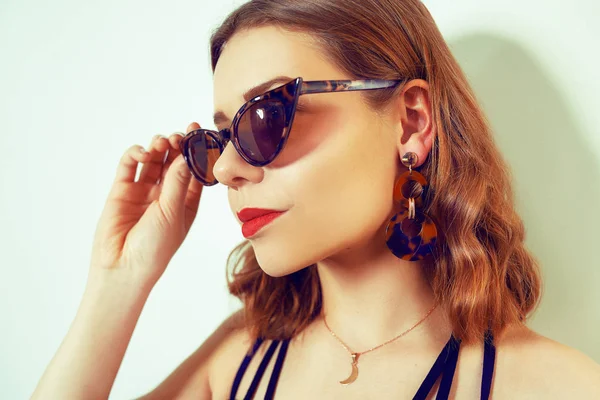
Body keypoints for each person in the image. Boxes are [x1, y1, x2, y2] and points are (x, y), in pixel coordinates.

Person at [31, 0, 600, 399]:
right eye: (219, 139)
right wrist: (119, 280)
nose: (227, 168)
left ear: (411, 121)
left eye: (264, 117)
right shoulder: (238, 364)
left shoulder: (556, 388)